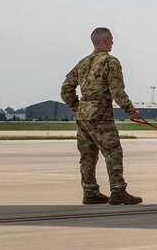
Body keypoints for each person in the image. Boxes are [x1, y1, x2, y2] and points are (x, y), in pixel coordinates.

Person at [60, 28, 142, 204]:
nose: (113, 42)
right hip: (100, 116)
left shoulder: (82, 63)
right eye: (111, 39)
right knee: (113, 152)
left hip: (83, 116)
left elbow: (66, 88)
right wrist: (131, 111)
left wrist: (78, 106)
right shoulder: (110, 62)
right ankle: (118, 190)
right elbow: (117, 91)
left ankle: (90, 191)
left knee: (87, 155)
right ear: (105, 40)